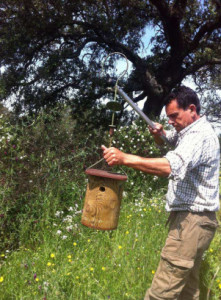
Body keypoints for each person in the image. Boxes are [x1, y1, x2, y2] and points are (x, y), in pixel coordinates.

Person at [101, 86, 220, 300]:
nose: (172, 121)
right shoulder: (190, 132)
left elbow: (171, 166)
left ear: (192, 109)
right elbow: (173, 142)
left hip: (192, 222)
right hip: (198, 221)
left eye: (175, 116)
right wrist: (160, 135)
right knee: (188, 291)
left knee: (161, 293)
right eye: (169, 117)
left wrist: (124, 158)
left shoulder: (199, 136)